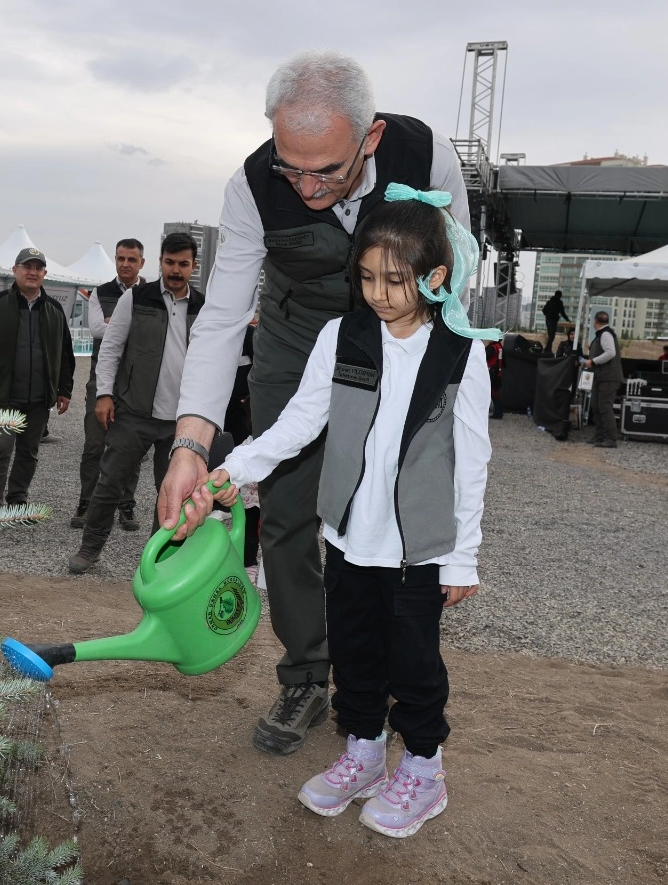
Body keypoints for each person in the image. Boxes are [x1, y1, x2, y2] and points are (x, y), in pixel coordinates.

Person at [157, 50, 471, 757]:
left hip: (397, 327)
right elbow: (223, 313)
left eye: (326, 170)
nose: (304, 186)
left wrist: (438, 382)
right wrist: (190, 444)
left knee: (393, 500)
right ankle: (305, 672)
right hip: (296, 335)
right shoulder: (250, 184)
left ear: (372, 137)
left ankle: (383, 678)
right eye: (288, 164)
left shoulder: (429, 159)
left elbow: (459, 275)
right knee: (288, 511)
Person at [183, 187, 495, 838]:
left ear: (435, 278)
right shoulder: (341, 335)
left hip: (421, 547)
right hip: (351, 536)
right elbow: (299, 422)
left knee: (413, 662)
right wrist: (233, 467)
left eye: (395, 280)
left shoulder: (460, 354)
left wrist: (462, 554)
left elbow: (472, 458)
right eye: (368, 277)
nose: (378, 293)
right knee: (353, 651)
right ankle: (363, 750)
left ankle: (425, 768)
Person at [67, 233, 204, 574]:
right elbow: (111, 348)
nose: (175, 270)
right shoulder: (137, 298)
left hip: (180, 420)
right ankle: (90, 547)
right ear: (159, 262)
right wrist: (104, 394)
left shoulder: (203, 307)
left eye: (183, 264)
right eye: (170, 262)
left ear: (193, 267)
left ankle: (160, 560)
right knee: (110, 481)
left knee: (172, 491)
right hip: (134, 412)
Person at [0, 248, 74, 521]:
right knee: (0, 450)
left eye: (38, 267)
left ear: (45, 274)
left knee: (29, 452)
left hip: (38, 399)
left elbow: (65, 354)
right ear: (15, 270)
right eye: (27, 266)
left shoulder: (54, 309)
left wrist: (64, 390)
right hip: (2, 396)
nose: (32, 272)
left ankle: (17, 499)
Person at [72, 239, 146, 531]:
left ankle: (126, 505)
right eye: (120, 258)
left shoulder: (150, 294)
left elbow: (145, 333)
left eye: (131, 259)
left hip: (136, 383)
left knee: (132, 448)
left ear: (142, 262)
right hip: (100, 380)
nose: (125, 264)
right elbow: (95, 329)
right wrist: (131, 325)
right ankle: (86, 502)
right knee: (94, 445)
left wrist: (113, 322)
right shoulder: (100, 292)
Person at [580, 311, 624, 448]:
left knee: (604, 407)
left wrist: (592, 362)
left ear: (595, 321)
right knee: (596, 406)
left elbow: (611, 352)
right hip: (602, 377)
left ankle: (611, 439)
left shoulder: (605, 334)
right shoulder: (603, 334)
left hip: (608, 378)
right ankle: (600, 435)